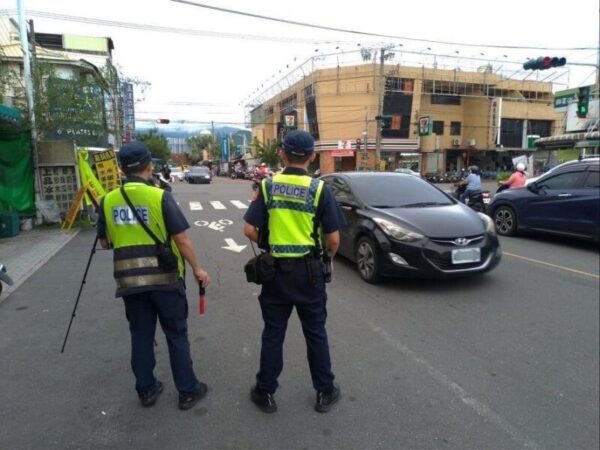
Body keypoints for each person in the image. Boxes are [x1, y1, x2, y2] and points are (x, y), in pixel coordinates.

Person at [97, 142, 211, 411]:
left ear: (122, 168)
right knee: (176, 335)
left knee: (140, 335)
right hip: (166, 279)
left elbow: (105, 242)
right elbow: (181, 239)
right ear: (149, 166)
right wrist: (197, 268)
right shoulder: (159, 197)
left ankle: (146, 389)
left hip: (129, 283)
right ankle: (187, 391)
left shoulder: (107, 200)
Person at [243, 130, 345, 414]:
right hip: (310, 275)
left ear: (282, 153)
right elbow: (334, 239)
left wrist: (271, 243)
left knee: (273, 333)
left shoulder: (267, 186)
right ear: (312, 156)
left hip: (275, 274)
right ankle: (325, 391)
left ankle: (265, 392)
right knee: (315, 333)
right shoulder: (319, 189)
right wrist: (328, 259)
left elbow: (249, 229)